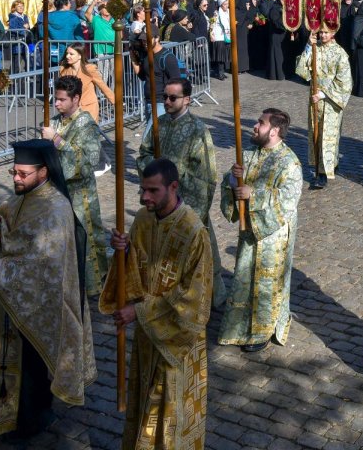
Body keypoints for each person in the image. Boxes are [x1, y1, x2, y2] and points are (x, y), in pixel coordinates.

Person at [0, 139, 96, 441]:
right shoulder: (21, 197)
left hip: (41, 304)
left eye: (23, 174)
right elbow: (9, 226)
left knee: (32, 370)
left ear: (43, 172)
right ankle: (10, 416)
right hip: (13, 303)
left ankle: (31, 419)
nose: (16, 179)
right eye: (13, 172)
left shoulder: (56, 208)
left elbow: (43, 262)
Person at [104, 157, 213, 450]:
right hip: (146, 336)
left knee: (170, 412)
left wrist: (138, 311)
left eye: (152, 191)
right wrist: (123, 252)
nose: (144, 197)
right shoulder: (142, 219)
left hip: (177, 341)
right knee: (145, 406)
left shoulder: (193, 231)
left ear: (173, 187)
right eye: (142, 190)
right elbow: (137, 270)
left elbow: (194, 297)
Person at [216, 107, 303, 354]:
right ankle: (239, 327)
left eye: (261, 123)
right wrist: (233, 182)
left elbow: (287, 200)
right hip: (249, 234)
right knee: (244, 279)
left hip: (273, 235)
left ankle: (262, 331)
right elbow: (229, 184)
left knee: (267, 285)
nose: (255, 126)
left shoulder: (289, 162)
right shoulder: (250, 154)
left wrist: (253, 194)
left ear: (274, 131)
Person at [137, 78, 227, 308]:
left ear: (187, 100)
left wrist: (196, 210)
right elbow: (144, 153)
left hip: (186, 204)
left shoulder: (198, 130)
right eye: (164, 97)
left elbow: (206, 175)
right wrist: (153, 172)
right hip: (160, 203)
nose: (166, 101)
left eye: (172, 97)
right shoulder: (159, 123)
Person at [42, 75, 109, 292]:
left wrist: (57, 141)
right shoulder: (53, 121)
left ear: (76, 98)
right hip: (56, 193)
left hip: (81, 196)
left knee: (87, 240)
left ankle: (93, 286)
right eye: (56, 98)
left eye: (62, 99)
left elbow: (88, 161)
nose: (57, 103)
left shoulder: (86, 124)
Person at [295, 25, 352, 188]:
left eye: (326, 32)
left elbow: (345, 82)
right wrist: (308, 46)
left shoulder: (340, 53)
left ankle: (323, 174)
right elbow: (302, 71)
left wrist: (323, 94)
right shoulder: (315, 48)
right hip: (315, 100)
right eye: (321, 32)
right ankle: (322, 165)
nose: (323, 35)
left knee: (329, 136)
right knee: (316, 133)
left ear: (333, 33)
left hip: (331, 100)